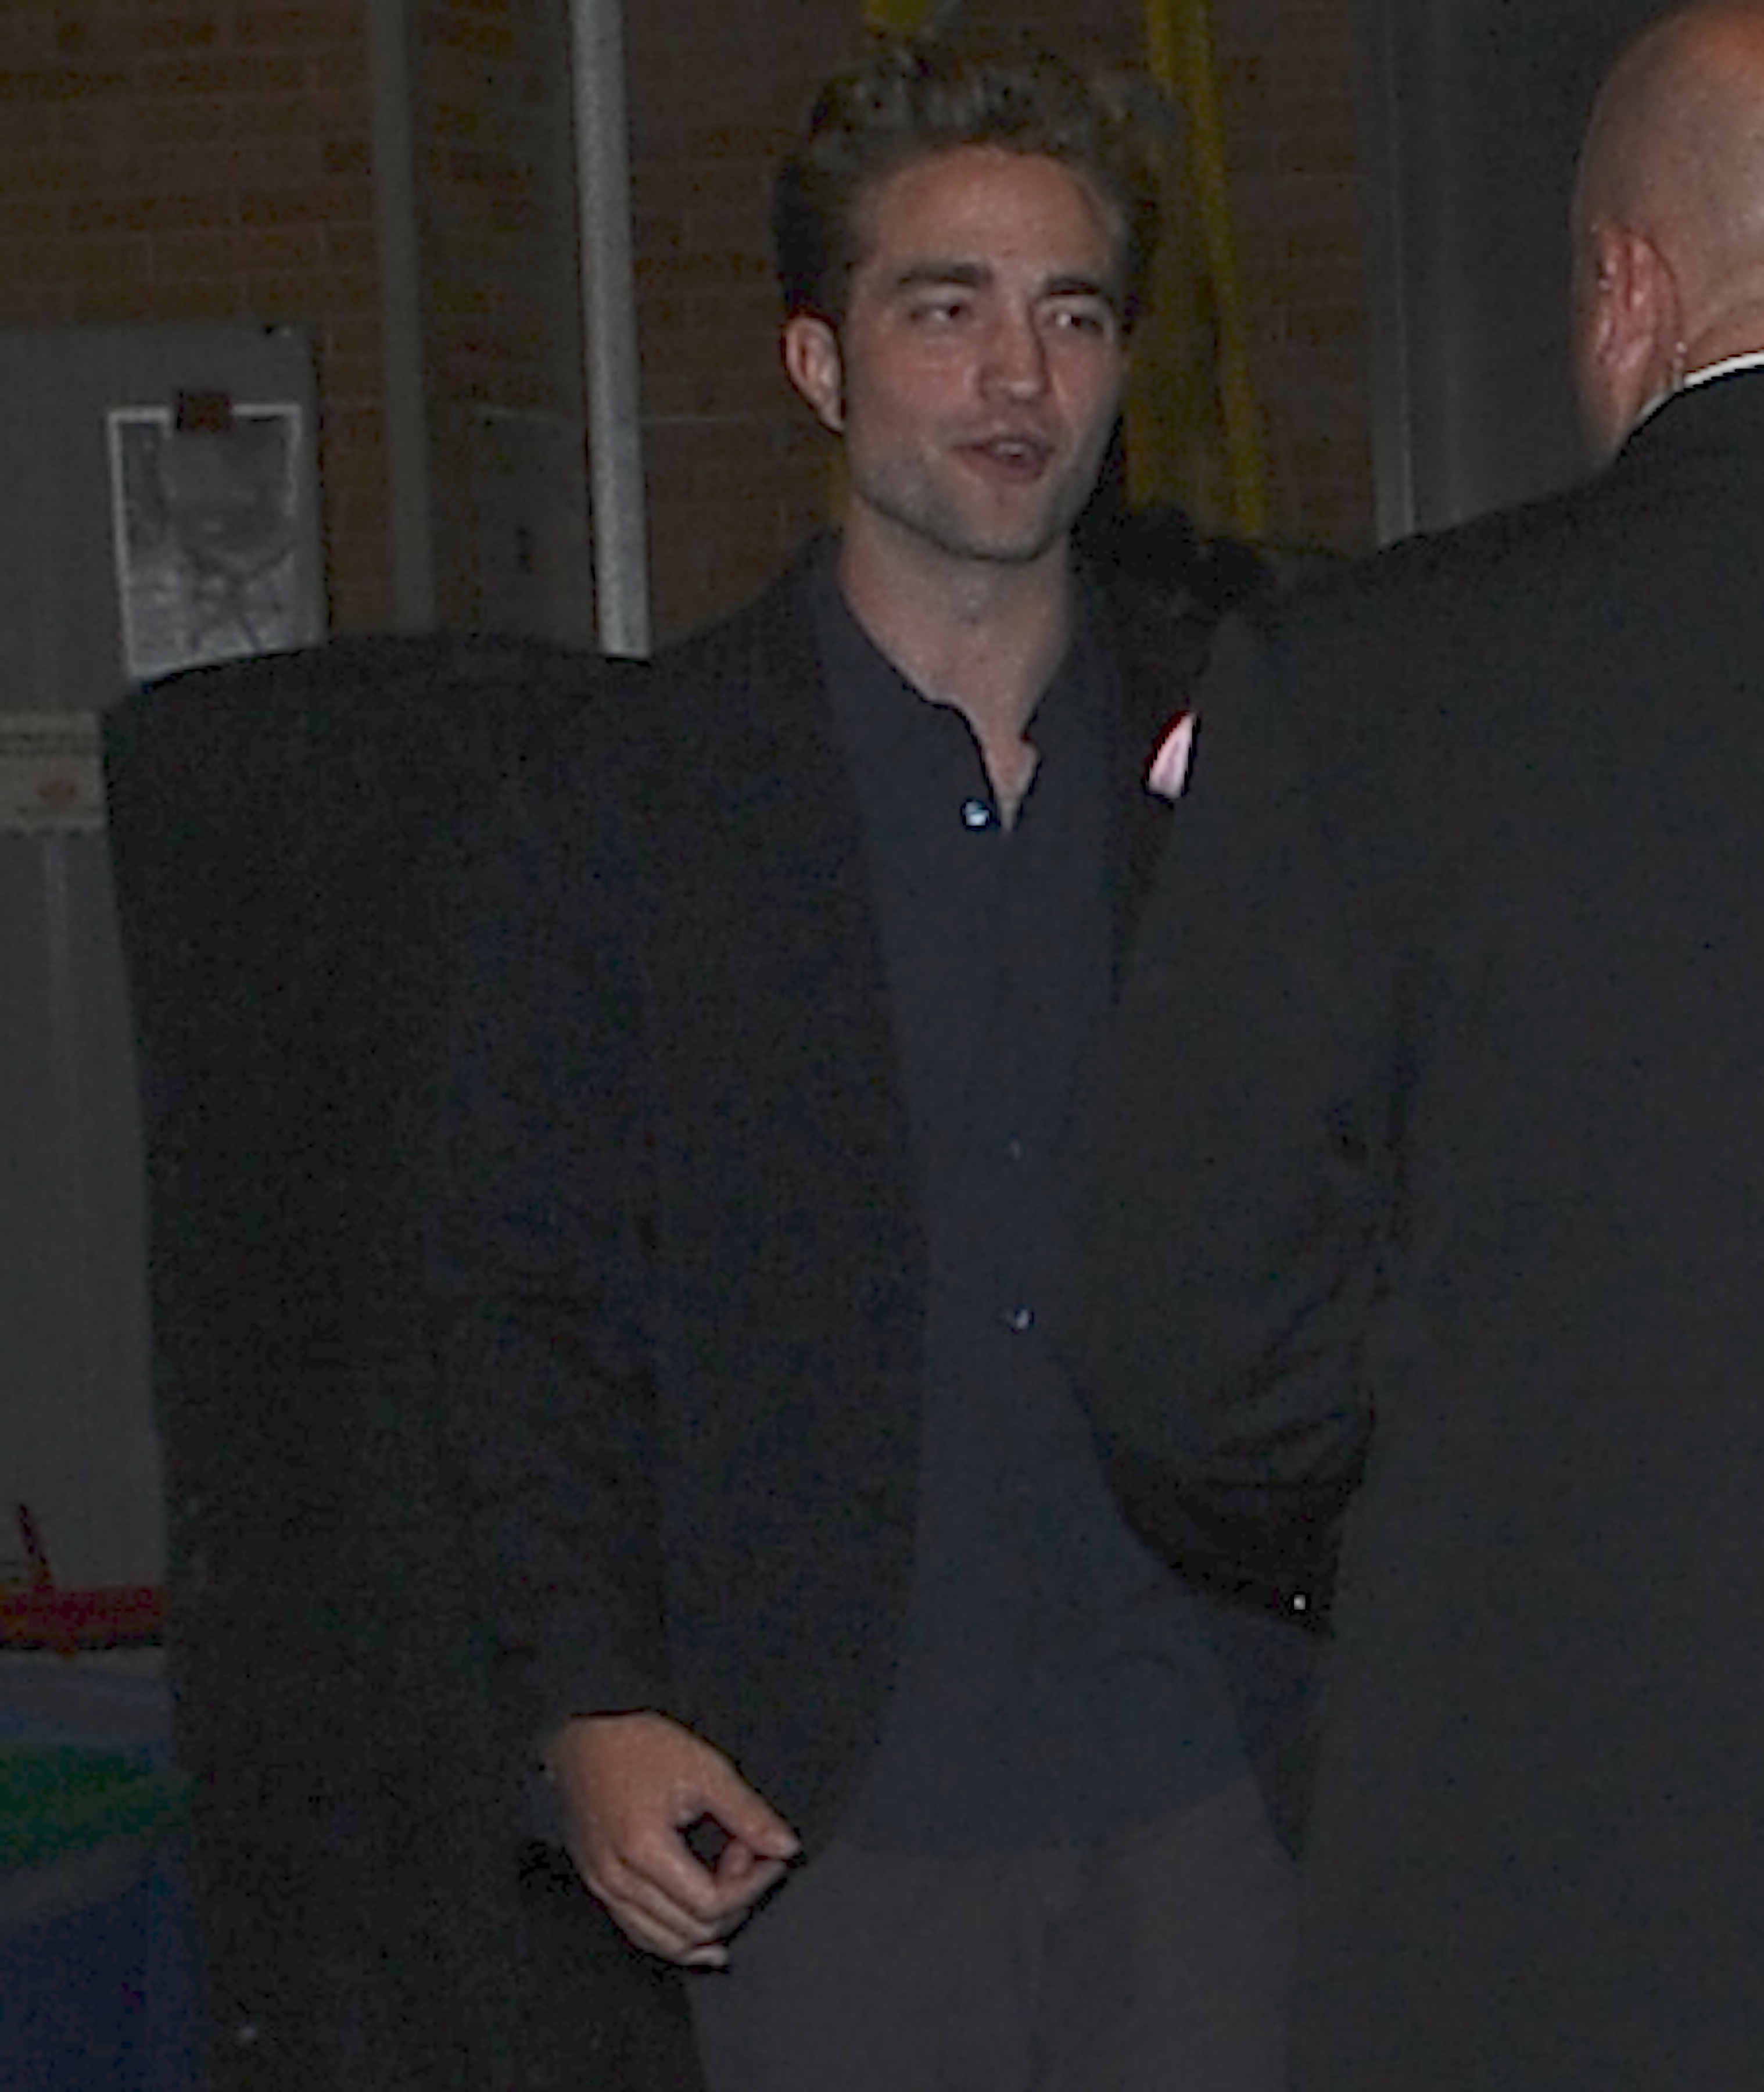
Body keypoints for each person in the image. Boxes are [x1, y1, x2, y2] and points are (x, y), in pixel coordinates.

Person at [428, 32, 1312, 2092]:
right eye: (945, 309)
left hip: (1218, 1792)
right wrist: (587, 1702)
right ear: (817, 363)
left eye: (1069, 314)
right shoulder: (640, 798)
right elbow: (523, 1288)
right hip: (822, 1815)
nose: (1017, 377)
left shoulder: (1263, 757)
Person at [1079, 4, 1764, 2086]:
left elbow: (1186, 1348)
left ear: (1626, 290)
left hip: (1545, 1862)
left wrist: (1448, 1516)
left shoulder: (1362, 687)